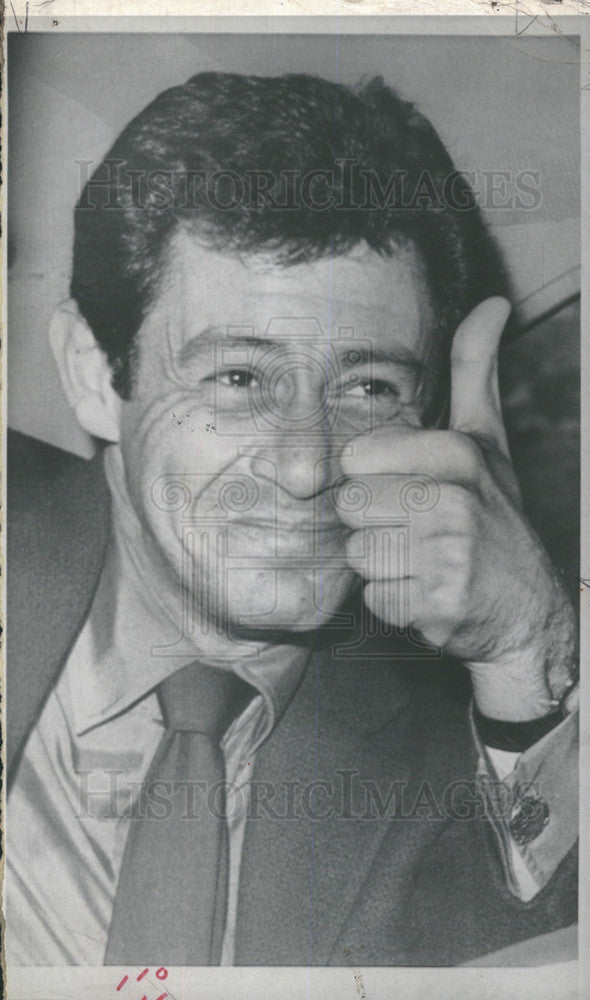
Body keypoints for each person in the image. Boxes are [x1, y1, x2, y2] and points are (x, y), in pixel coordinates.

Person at [6, 71, 578, 967]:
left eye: (368, 387)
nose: (310, 465)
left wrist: (523, 653)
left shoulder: (447, 737)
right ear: (92, 372)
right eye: (240, 379)